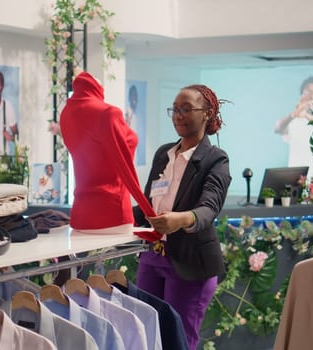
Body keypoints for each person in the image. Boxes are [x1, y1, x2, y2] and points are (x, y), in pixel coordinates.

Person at [133, 84, 232, 350]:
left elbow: (209, 207)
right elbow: (146, 208)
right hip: (153, 255)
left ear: (207, 114)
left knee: (178, 340)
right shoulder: (163, 154)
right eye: (175, 109)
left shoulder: (216, 159)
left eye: (186, 109)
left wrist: (181, 219)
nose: (178, 115)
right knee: (146, 335)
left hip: (191, 262)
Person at [60, 70, 156, 233]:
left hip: (80, 216)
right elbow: (125, 167)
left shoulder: (66, 114)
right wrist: (149, 212)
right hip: (113, 212)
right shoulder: (108, 113)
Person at [274, 76, 313, 177]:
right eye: (308, 92)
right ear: (302, 94)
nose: (312, 97)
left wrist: (308, 116)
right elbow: (278, 128)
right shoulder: (295, 120)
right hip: (296, 177)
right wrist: (294, 114)